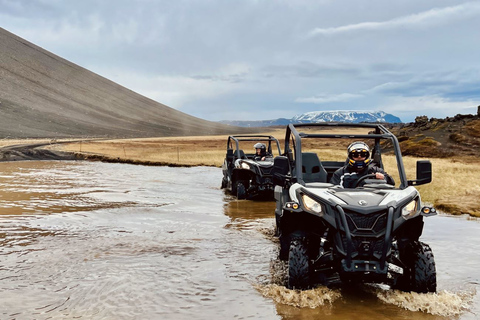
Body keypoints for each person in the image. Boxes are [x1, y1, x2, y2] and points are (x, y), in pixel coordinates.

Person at [330, 141, 395, 188]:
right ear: (350, 157)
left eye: (363, 154)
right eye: (355, 155)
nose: (359, 157)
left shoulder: (376, 170)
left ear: (367, 156)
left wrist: (384, 178)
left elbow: (392, 184)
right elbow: (333, 191)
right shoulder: (341, 173)